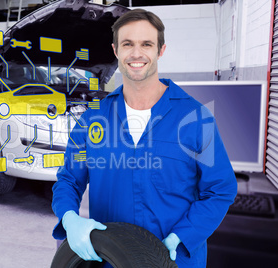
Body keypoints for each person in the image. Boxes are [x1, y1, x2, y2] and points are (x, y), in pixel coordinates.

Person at [52, 8, 237, 268]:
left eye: (146, 44)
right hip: (111, 261)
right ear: (116, 50)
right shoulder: (93, 119)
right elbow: (69, 180)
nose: (136, 53)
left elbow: (220, 189)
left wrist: (181, 237)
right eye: (128, 44)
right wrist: (70, 218)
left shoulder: (195, 118)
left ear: (160, 50)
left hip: (174, 261)